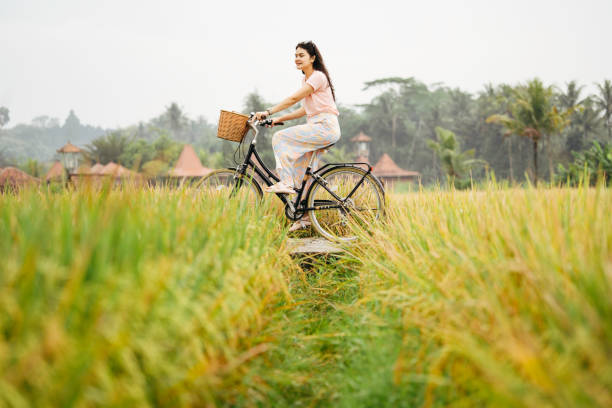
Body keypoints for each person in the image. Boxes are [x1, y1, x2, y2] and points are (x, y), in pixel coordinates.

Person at [254, 41, 340, 231]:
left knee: (279, 138)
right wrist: (278, 118)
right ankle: (305, 219)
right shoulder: (307, 81)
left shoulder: (318, 77)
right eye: (295, 55)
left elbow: (294, 99)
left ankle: (285, 181)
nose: (297, 59)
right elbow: (304, 109)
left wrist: (268, 112)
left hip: (324, 127)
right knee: (303, 176)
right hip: (319, 127)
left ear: (312, 58)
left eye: (301, 55)